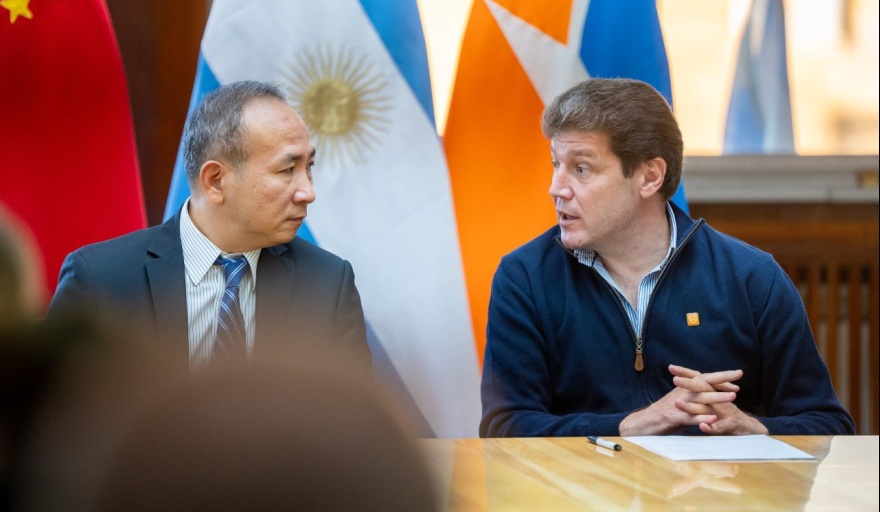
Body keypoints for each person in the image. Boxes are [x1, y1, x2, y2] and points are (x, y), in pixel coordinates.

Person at [480, 78, 854, 437]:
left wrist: (750, 429)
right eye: (555, 165)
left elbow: (829, 426)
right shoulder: (524, 278)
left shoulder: (751, 277)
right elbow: (505, 429)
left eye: (581, 169)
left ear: (649, 177)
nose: (556, 188)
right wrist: (631, 426)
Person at [47, 80, 370, 369]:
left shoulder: (328, 286)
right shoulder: (100, 281)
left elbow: (350, 412)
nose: (308, 192)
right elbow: (52, 409)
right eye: (287, 170)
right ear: (215, 181)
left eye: (308, 166)